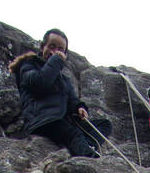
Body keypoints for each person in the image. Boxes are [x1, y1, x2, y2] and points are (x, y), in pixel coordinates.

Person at [9, 29, 100, 157]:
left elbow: (72, 100)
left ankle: (84, 145)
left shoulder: (63, 79)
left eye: (60, 49)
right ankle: (89, 157)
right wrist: (56, 60)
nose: (55, 52)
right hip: (41, 120)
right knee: (72, 133)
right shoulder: (28, 65)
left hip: (57, 119)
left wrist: (80, 107)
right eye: (51, 46)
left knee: (104, 125)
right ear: (42, 47)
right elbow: (40, 84)